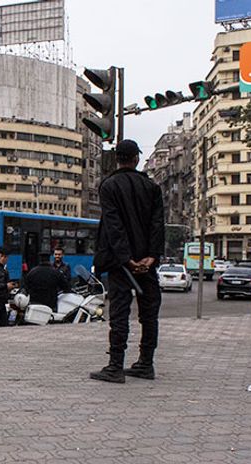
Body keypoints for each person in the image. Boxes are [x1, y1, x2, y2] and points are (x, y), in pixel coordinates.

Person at [90, 139, 165, 384]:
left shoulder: (108, 186)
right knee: (149, 314)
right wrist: (151, 256)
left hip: (121, 264)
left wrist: (127, 259)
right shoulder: (152, 187)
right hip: (147, 262)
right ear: (136, 159)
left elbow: (114, 226)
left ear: (117, 159)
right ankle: (146, 363)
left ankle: (115, 366)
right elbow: (157, 224)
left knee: (120, 313)